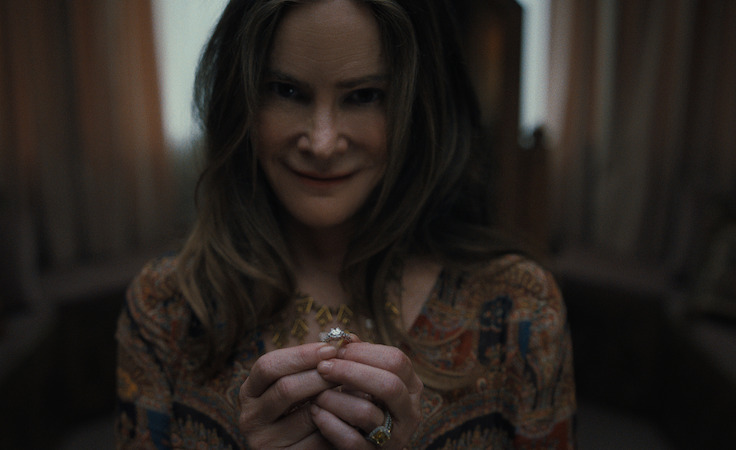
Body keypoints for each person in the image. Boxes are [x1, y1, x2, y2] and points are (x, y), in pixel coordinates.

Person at [115, 0, 576, 448]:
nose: (321, 142)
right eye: (288, 91)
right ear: (241, 99)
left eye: (364, 96)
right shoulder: (165, 309)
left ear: (418, 109)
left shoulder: (520, 308)